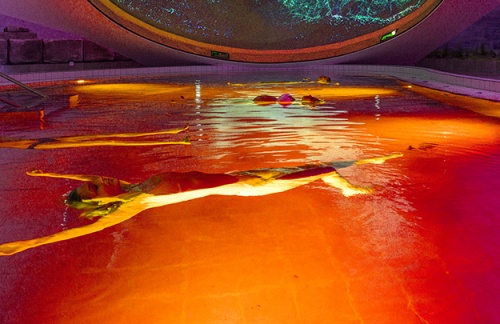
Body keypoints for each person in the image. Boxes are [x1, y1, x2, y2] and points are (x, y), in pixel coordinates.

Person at [0, 152, 403, 256]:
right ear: (103, 202)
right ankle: (351, 184)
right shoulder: (134, 203)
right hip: (249, 186)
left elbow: (84, 183)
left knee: (307, 167)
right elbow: (86, 230)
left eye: (94, 181)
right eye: (96, 187)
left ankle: (353, 178)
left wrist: (49, 177)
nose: (100, 179)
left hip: (241, 173)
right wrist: (28, 244)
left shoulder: (135, 186)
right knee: (320, 169)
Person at [0, 125, 190, 149]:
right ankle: (174, 139)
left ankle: (171, 133)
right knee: (108, 139)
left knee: (110, 135)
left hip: (35, 143)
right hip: (35, 146)